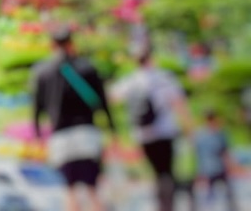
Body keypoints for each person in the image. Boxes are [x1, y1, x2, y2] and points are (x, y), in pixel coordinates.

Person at [31, 25, 115, 211]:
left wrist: (38, 136)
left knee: (69, 191)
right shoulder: (87, 67)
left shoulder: (42, 72)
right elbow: (103, 103)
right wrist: (113, 129)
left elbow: (37, 108)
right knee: (93, 190)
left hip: (61, 138)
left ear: (52, 45)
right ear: (71, 43)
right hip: (87, 133)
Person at [112, 42, 192, 211]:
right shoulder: (164, 77)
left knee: (156, 172)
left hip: (143, 134)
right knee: (167, 171)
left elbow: (112, 97)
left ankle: (161, 204)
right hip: (165, 132)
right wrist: (188, 127)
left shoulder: (131, 80)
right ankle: (167, 205)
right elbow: (179, 103)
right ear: (152, 58)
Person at [194, 111, 238, 210]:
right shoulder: (201, 135)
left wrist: (231, 165)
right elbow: (198, 154)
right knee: (209, 195)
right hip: (208, 169)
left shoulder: (220, 133)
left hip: (220, 167)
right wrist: (199, 172)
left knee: (228, 193)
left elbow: (225, 151)